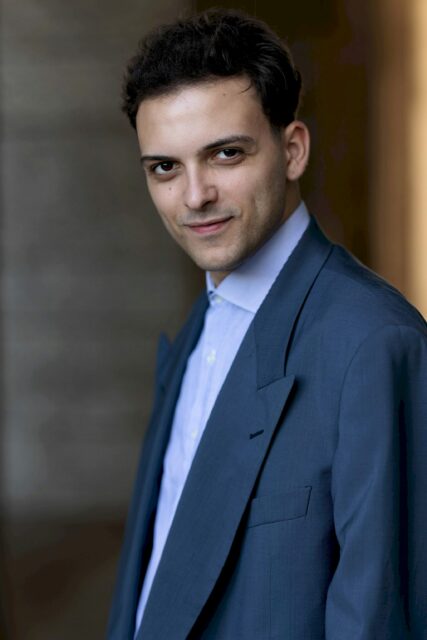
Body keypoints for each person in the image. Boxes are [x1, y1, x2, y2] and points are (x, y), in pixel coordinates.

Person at [108, 9, 427, 640]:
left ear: (293, 150)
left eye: (225, 154)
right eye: (165, 167)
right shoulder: (198, 329)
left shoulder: (375, 344)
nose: (194, 196)